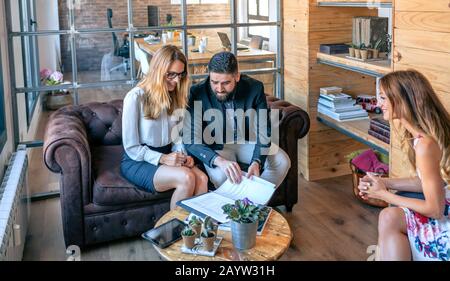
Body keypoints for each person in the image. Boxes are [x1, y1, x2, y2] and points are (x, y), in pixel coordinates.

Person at [358, 70, 450, 261]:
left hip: (444, 219)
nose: (379, 104)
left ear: (402, 100)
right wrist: (383, 182)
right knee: (388, 217)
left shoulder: (426, 144)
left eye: (383, 98)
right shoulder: (422, 137)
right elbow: (426, 182)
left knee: (388, 217)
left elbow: (435, 210)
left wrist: (383, 194)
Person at [184, 51, 290, 190]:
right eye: (214, 82)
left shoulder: (254, 88)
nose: (219, 89)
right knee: (221, 176)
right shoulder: (197, 92)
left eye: (226, 83)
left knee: (282, 161)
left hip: (245, 141)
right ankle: (242, 206)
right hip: (216, 146)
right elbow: (190, 139)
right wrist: (219, 161)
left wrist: (257, 161)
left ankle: (254, 202)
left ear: (237, 76)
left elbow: (264, 130)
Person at [121, 45, 208, 210]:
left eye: (180, 75)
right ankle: (175, 232)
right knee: (186, 177)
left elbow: (177, 137)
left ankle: (195, 232)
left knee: (202, 179)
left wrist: (182, 155)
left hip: (168, 156)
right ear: (158, 70)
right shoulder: (135, 97)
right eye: (171, 74)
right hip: (138, 160)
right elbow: (131, 147)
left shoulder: (175, 96)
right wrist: (162, 159)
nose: (176, 80)